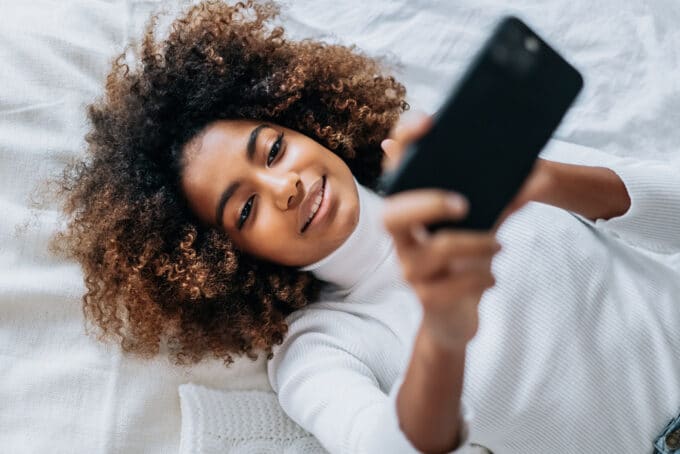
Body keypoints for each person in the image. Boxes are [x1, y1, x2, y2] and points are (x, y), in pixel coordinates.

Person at [52, 1, 680, 453]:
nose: (285, 185)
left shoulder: (459, 162)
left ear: (300, 122)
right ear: (223, 258)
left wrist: (539, 179)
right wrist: (443, 327)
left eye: (272, 151)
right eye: (245, 210)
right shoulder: (320, 348)